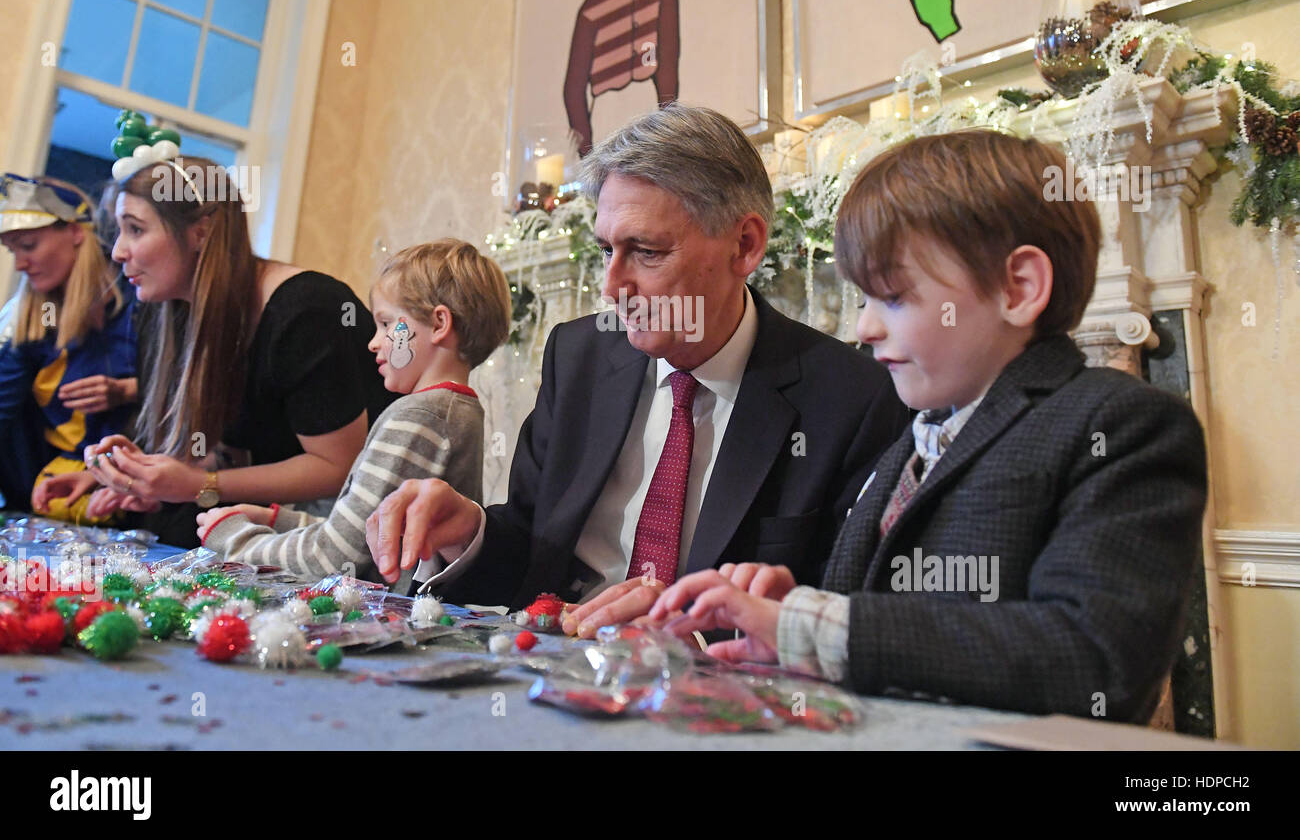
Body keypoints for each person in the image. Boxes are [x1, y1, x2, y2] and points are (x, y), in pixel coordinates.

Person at [646, 130, 1208, 723]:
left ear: (1019, 288)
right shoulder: (912, 437)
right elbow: (893, 626)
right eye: (863, 300)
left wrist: (824, 627)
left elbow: (1094, 659)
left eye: (892, 297)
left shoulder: (1124, 426)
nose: (864, 329)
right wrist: (796, 615)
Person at [365, 104, 909, 623]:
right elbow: (533, 546)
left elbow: (840, 614)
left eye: (646, 252)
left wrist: (686, 630)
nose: (610, 287)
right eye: (605, 250)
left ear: (744, 245)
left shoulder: (849, 396)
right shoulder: (578, 357)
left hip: (712, 697)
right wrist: (471, 532)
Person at [80, 134, 396, 547]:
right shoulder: (168, 310)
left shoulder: (307, 311)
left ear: (202, 232)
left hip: (333, 544)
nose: (118, 251)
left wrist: (197, 484)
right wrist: (137, 476)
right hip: (245, 528)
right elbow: (232, 449)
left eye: (135, 229)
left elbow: (337, 469)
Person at [196, 240, 509, 586]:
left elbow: (333, 558)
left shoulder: (418, 417)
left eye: (387, 324)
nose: (373, 342)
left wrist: (233, 539)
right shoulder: (456, 411)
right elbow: (358, 533)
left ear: (438, 324)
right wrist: (277, 520)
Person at [0, 174, 138, 521]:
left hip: (147, 484)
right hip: (53, 486)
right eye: (12, 250)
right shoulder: (34, 319)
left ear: (76, 232)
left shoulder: (144, 298)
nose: (19, 263)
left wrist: (131, 390)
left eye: (28, 245)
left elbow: (194, 390)